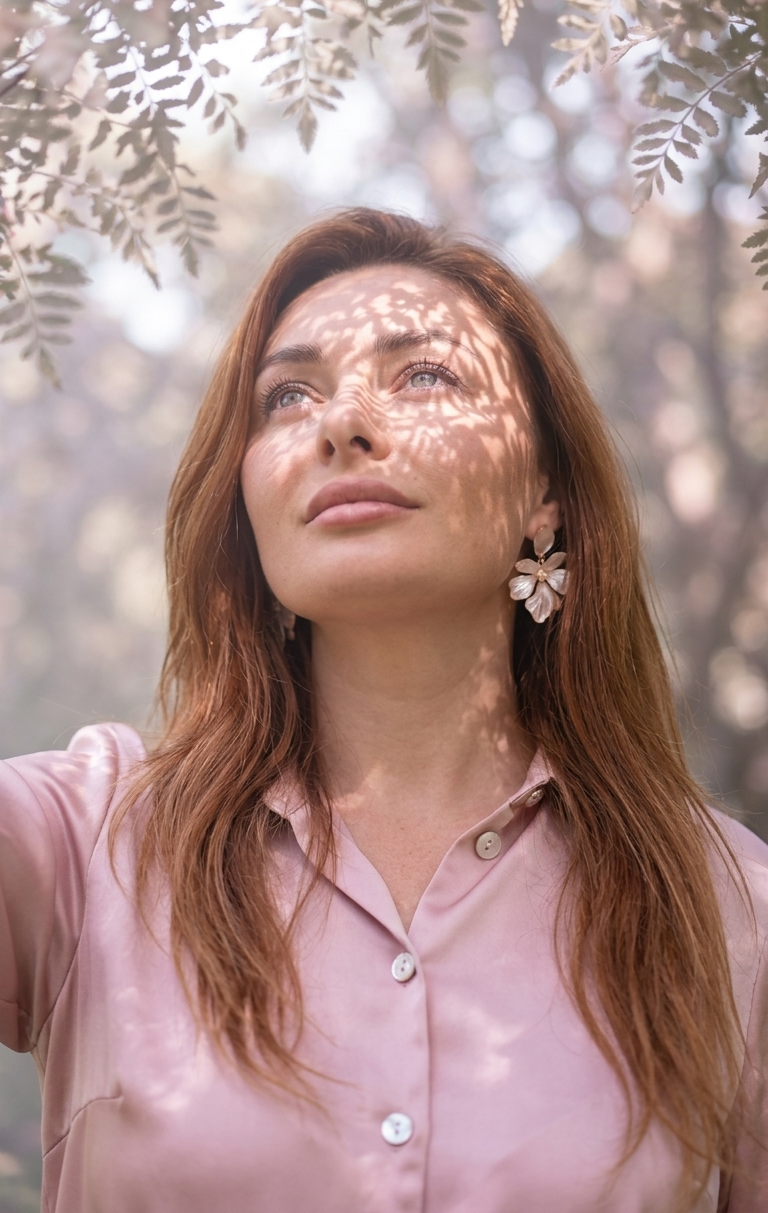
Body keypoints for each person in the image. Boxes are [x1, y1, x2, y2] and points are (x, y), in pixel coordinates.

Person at [0, 208, 766, 1213]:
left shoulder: (728, 908)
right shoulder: (84, 837)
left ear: (546, 490)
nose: (341, 423)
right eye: (288, 395)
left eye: (424, 375)